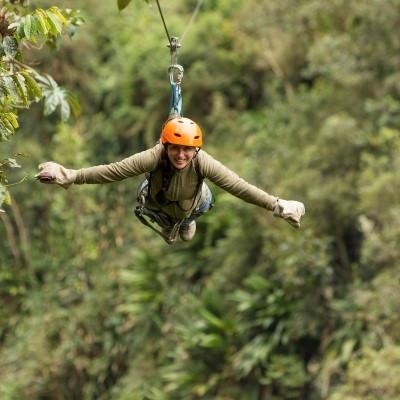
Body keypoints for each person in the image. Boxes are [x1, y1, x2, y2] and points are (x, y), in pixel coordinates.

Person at [36, 117, 305, 244]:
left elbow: (238, 186)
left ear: (196, 150)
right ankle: (170, 222)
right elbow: (114, 171)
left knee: (198, 209)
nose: (181, 155)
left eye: (187, 150)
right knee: (144, 192)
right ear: (166, 146)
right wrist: (70, 175)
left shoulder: (202, 161)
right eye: (175, 148)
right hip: (159, 202)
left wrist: (277, 205)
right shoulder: (154, 156)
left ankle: (186, 221)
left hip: (193, 204)